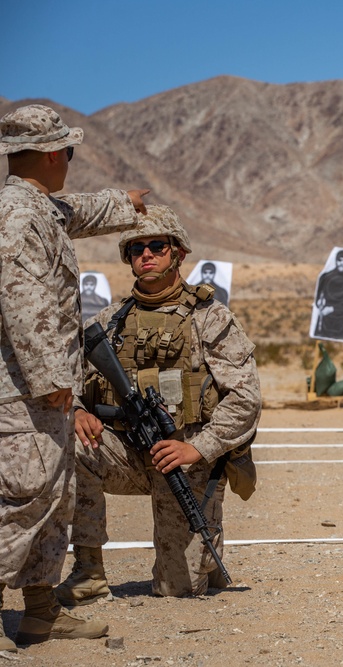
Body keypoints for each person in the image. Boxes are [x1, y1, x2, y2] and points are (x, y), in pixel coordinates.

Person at [55, 206, 261, 605]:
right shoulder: (110, 323)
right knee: (69, 446)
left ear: (178, 253)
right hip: (128, 455)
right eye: (135, 249)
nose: (145, 255)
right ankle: (89, 572)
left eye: (156, 246)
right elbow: (70, 383)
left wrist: (198, 447)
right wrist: (79, 411)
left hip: (187, 462)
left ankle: (206, 548)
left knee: (176, 590)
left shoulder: (210, 318)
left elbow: (246, 399)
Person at [0, 104, 148, 648]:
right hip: (22, 393)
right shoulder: (17, 216)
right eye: (68, 150)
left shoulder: (41, 207)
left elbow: (76, 211)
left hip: (43, 395)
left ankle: (41, 608)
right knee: (22, 498)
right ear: (52, 153)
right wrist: (51, 375)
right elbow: (21, 301)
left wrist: (124, 205)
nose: (70, 159)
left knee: (53, 497)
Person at [313, 250, 343, 340]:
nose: (341, 263)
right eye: (339, 260)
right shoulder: (325, 277)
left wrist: (333, 309)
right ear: (336, 260)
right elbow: (318, 297)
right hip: (324, 324)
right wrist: (319, 301)